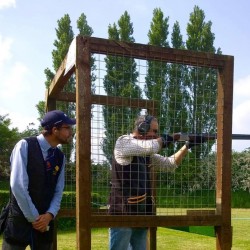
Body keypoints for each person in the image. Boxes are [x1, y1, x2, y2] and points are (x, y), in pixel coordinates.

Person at [108, 114, 204, 250]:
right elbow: (150, 147)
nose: (155, 134)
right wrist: (172, 137)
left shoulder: (145, 152)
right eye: (153, 131)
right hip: (121, 212)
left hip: (141, 212)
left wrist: (187, 146)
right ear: (142, 128)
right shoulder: (123, 141)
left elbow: (169, 164)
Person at [2, 110, 76, 250]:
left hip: (45, 225)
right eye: (67, 128)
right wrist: (35, 218)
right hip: (19, 223)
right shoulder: (24, 145)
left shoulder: (60, 157)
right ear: (55, 129)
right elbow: (18, 186)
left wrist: (50, 214)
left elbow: (58, 190)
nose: (71, 132)